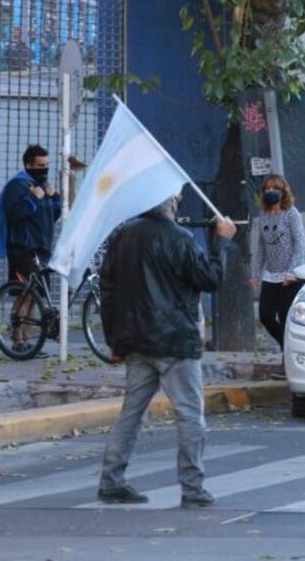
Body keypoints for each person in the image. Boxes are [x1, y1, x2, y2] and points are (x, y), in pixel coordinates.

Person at [96, 193, 237, 507]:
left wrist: (114, 340)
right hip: (175, 340)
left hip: (135, 340)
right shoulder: (180, 239)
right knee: (189, 414)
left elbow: (108, 290)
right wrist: (220, 243)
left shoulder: (122, 237)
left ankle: (111, 479)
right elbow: (210, 278)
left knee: (131, 413)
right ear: (172, 202)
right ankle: (192, 487)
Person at [0, 144, 62, 354]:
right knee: (25, 294)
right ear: (28, 165)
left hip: (41, 249)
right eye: (40, 165)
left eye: (47, 165)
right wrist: (34, 198)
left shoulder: (41, 185)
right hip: (23, 248)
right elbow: (14, 214)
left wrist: (54, 198)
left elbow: (52, 217)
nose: (44, 169)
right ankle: (17, 340)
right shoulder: (18, 185)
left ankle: (27, 339)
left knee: (37, 296)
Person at [249, 174, 305, 350]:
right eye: (267, 189)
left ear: (283, 192)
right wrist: (256, 274)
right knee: (265, 316)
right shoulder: (264, 215)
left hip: (290, 277)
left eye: (275, 189)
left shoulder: (292, 213)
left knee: (284, 317)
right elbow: (261, 248)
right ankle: (288, 347)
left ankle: (287, 359)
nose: (270, 192)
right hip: (271, 276)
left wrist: (292, 271)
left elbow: (300, 243)